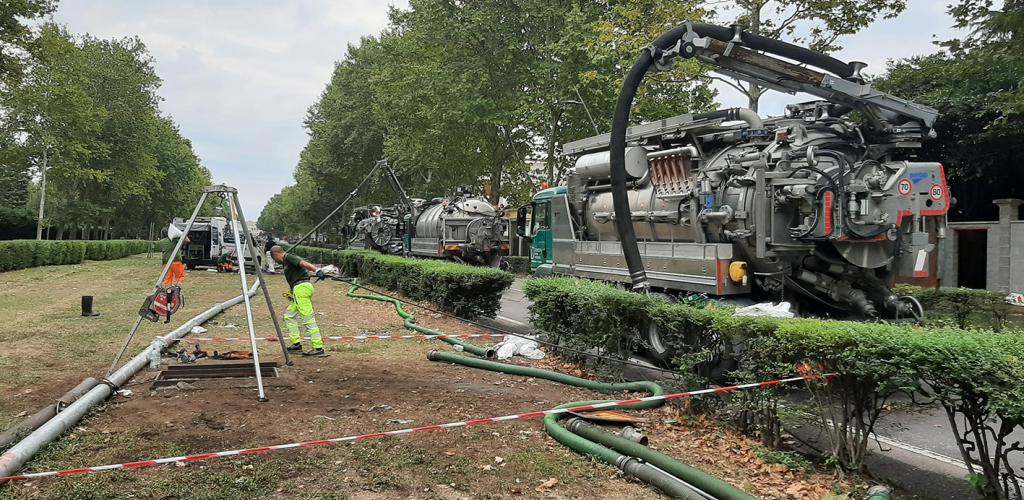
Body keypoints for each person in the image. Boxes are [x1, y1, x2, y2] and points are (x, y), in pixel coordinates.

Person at [270, 245, 326, 357]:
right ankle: (296, 344)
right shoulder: (285, 263)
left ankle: (318, 348)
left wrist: (317, 270)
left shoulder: (288, 257)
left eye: (275, 259)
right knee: (289, 316)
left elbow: (303, 263)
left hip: (302, 289)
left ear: (276, 254)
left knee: (308, 319)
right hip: (297, 290)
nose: (275, 261)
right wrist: (291, 293)